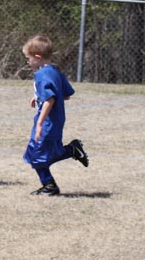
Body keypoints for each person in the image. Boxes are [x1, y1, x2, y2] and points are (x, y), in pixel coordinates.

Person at [22, 35, 89, 196]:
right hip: (57, 121)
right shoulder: (54, 71)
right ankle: (71, 152)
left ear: (37, 58)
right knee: (40, 153)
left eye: (28, 58)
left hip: (47, 123)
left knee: (36, 155)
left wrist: (39, 123)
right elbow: (65, 94)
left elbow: (50, 99)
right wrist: (39, 96)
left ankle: (50, 185)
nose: (27, 62)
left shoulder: (41, 75)